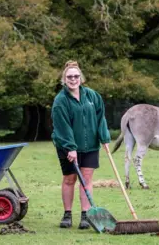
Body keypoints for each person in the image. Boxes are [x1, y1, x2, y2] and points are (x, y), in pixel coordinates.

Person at [51, 60, 111, 229]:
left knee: (86, 179)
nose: (73, 79)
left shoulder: (92, 96)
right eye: (69, 77)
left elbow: (101, 118)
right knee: (70, 178)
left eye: (76, 76)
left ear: (81, 78)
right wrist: (70, 148)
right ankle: (67, 214)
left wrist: (104, 138)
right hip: (66, 145)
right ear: (64, 79)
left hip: (90, 145)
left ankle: (86, 215)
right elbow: (62, 126)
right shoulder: (60, 101)